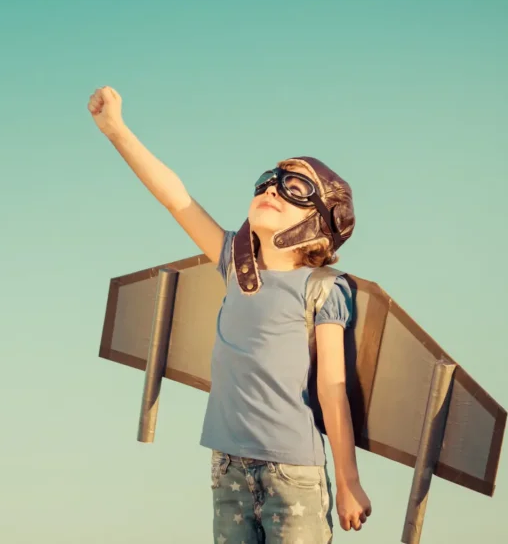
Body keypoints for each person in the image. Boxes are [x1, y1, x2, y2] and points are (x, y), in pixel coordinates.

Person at [88, 86, 372, 543]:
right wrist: (117, 132)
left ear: (319, 221)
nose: (271, 191)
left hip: (293, 473)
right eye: (267, 181)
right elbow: (175, 198)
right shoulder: (234, 266)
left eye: (294, 189)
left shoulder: (322, 288)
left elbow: (332, 390)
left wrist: (348, 481)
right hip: (227, 467)